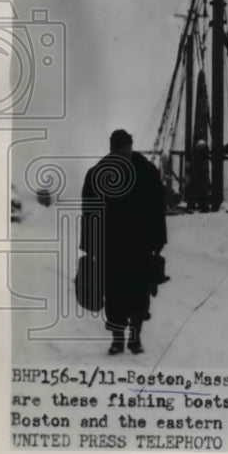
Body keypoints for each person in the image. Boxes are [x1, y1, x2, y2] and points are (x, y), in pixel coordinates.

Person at [81, 129, 167, 355]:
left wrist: (158, 242)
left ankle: (135, 339)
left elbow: (158, 209)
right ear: (112, 150)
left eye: (125, 152)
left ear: (131, 148)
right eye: (119, 152)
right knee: (114, 295)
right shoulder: (97, 174)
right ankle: (118, 340)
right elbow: (89, 213)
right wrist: (90, 246)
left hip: (140, 244)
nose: (123, 156)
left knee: (139, 293)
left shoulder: (147, 172)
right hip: (111, 246)